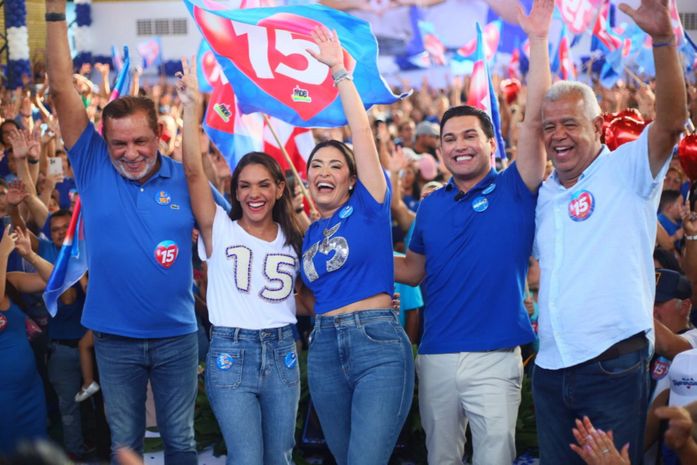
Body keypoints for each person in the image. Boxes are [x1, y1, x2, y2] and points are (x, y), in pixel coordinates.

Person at [531, 0, 689, 463]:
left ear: (599, 127)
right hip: (549, 370)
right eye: (548, 127)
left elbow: (672, 122)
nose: (558, 135)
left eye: (569, 124)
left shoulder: (628, 170)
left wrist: (663, 40)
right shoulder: (544, 194)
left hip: (611, 366)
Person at [393, 1, 550, 463]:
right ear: (440, 149)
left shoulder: (515, 188)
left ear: (490, 142)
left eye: (468, 136)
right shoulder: (432, 204)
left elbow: (536, 119)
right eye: (449, 139)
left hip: (495, 358)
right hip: (437, 356)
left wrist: (537, 42)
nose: (459, 146)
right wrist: (356, 254)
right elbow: (416, 269)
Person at [45, 1, 200, 462]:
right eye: (119, 143)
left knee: (181, 441)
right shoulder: (91, 165)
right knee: (124, 444)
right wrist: (55, 13)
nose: (130, 152)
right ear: (103, 141)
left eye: (140, 141)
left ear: (159, 136)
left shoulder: (188, 180)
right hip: (113, 339)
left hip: (177, 336)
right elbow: (58, 87)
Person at [178, 57, 305, 465]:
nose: (254, 193)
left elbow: (307, 301)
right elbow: (195, 176)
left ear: (279, 188)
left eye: (264, 185)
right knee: (247, 459)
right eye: (245, 186)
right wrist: (190, 106)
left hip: (285, 351)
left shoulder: (294, 238)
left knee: (280, 458)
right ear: (234, 191)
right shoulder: (220, 228)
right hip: (231, 353)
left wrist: (371, 304)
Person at [299, 26, 414, 465]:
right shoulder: (310, 233)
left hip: (376, 344)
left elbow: (362, 138)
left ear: (350, 181)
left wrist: (339, 74)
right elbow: (305, 296)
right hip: (324, 348)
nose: (323, 170)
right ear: (309, 179)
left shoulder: (369, 205)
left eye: (335, 165)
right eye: (316, 165)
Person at [0, 226, 55, 455]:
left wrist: (29, 255)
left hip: (30, 389)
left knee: (35, 452)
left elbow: (53, 279)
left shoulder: (11, 281)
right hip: (3, 396)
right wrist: (3, 254)